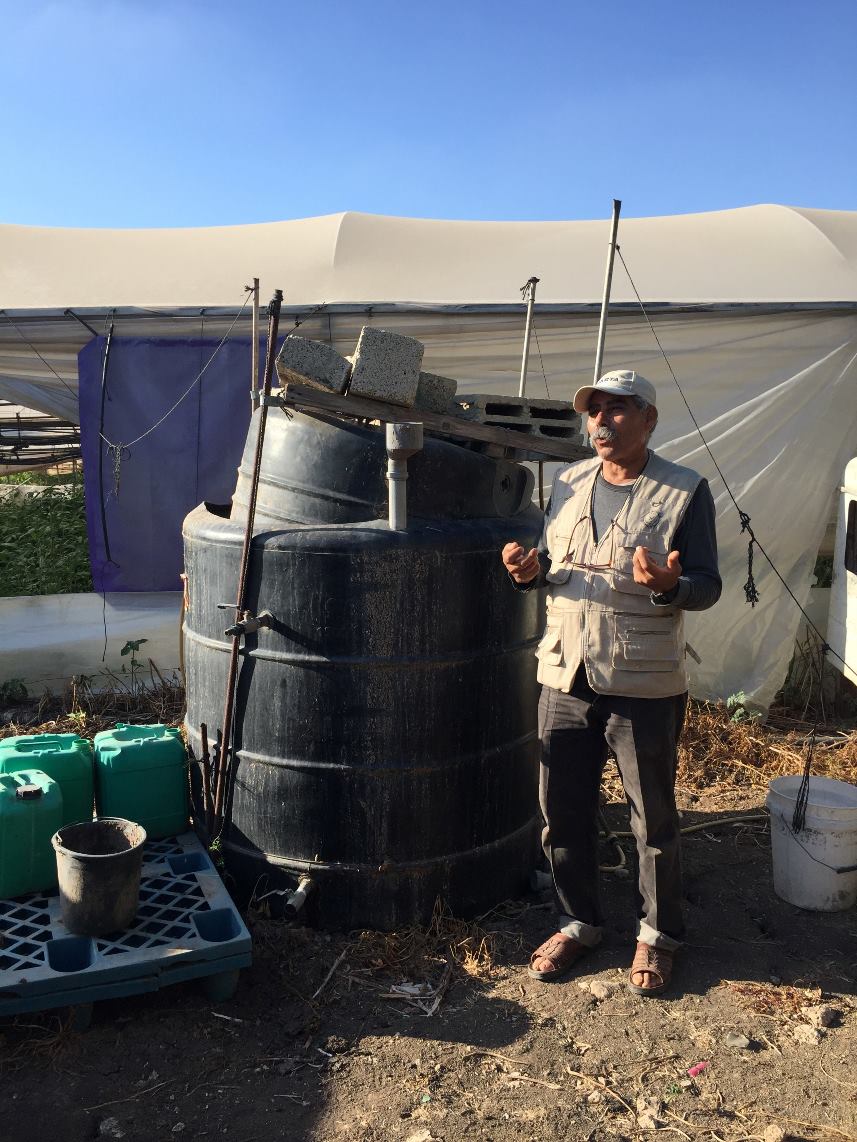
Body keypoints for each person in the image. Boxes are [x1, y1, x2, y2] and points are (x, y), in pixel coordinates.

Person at [501, 369, 720, 996]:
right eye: (594, 409)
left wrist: (670, 587)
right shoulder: (568, 481)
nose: (602, 421)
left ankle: (657, 937)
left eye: (619, 410)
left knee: (651, 818)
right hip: (565, 674)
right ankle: (578, 922)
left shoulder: (684, 491)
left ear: (649, 419)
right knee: (561, 810)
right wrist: (528, 572)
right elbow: (557, 569)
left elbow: (707, 585)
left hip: (642, 682)